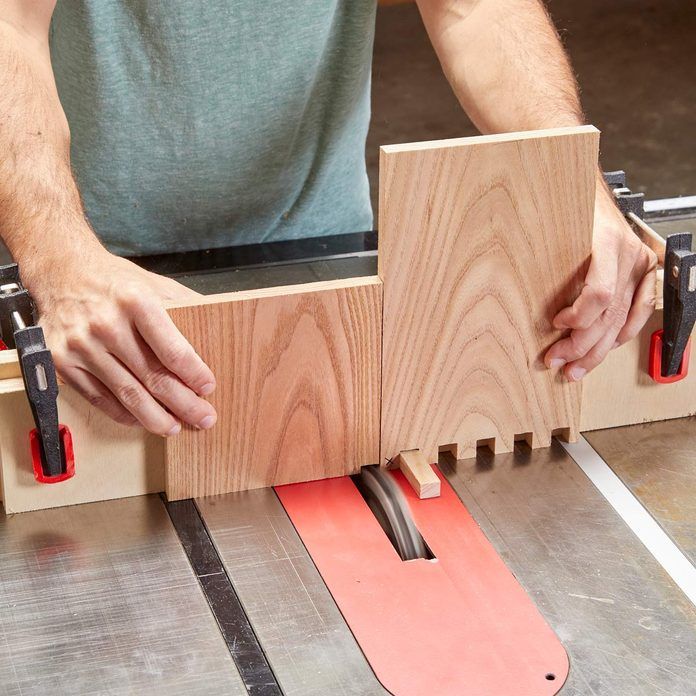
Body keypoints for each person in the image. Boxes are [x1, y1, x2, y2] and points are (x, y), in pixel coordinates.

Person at [0, 1, 657, 436]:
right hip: (76, 259)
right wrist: (61, 262)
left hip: (318, 248)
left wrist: (568, 175)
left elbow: (475, 6)